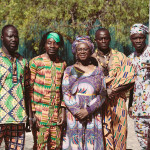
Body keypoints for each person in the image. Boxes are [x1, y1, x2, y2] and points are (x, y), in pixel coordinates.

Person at [92, 28, 135, 150]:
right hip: (99, 103)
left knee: (120, 134)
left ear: (110, 39)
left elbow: (131, 79)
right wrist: (104, 91)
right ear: (96, 40)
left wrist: (113, 90)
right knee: (103, 135)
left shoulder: (121, 57)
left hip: (118, 102)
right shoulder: (91, 59)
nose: (103, 41)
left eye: (106, 38)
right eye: (100, 39)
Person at [62, 36, 106, 150]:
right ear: (75, 52)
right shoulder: (70, 70)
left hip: (92, 114)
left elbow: (102, 94)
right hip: (74, 115)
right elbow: (66, 93)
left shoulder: (98, 71)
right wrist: (78, 111)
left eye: (85, 49)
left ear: (90, 50)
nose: (82, 51)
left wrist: (88, 110)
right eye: (79, 49)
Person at [29, 31, 66, 150]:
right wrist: (33, 114)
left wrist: (62, 112)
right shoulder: (35, 62)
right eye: (49, 42)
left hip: (56, 116)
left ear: (59, 46)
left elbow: (64, 90)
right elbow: (29, 90)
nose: (52, 46)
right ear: (44, 44)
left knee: (56, 146)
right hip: (40, 115)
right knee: (39, 146)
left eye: (56, 43)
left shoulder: (62, 64)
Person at [0, 25, 30, 150]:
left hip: (18, 118)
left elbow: (28, 90)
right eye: (10, 36)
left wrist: (29, 115)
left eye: (16, 36)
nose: (13, 39)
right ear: (2, 38)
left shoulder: (23, 61)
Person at [128, 23, 150, 150]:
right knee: (143, 143)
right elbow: (132, 85)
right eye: (135, 38)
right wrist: (130, 104)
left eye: (141, 37)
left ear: (145, 37)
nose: (138, 40)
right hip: (139, 109)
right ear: (131, 39)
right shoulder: (130, 58)